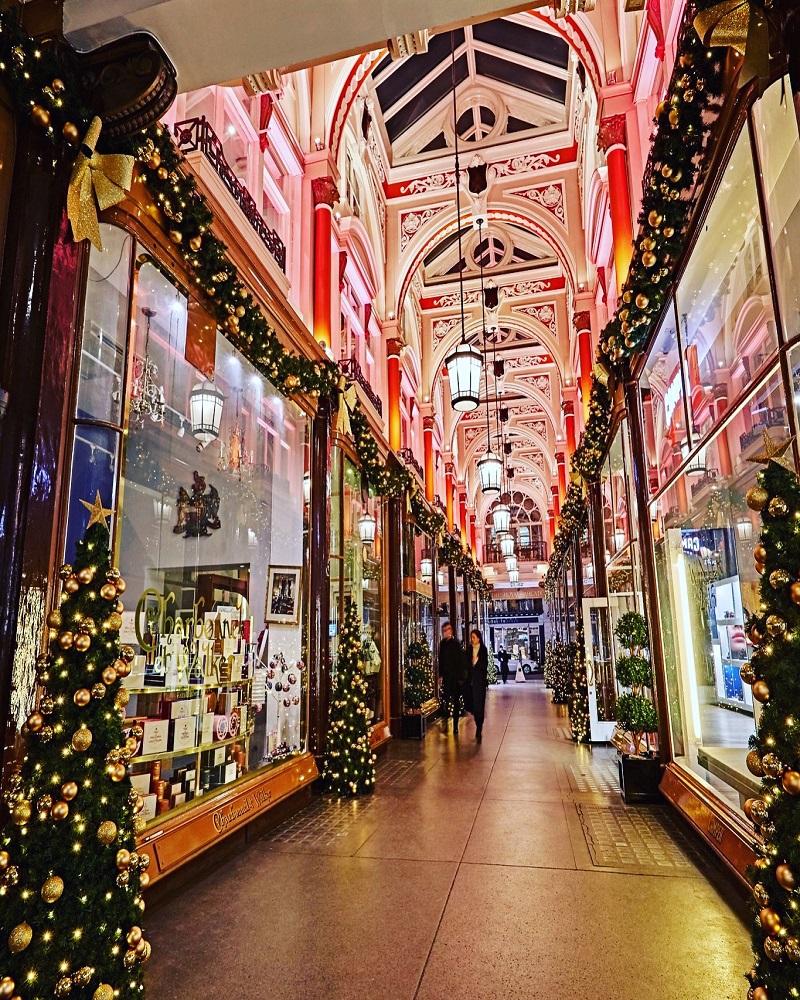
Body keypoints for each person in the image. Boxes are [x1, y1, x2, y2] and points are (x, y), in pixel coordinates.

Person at [438, 622, 465, 735]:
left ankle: (455, 726)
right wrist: (440, 675)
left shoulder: (456, 644)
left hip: (455, 678)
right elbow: (441, 660)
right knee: (445, 700)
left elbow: (460, 662)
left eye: (448, 630)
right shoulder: (442, 644)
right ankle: (445, 722)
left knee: (455, 702)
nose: (446, 632)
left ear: (451, 631)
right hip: (447, 677)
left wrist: (460, 678)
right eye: (444, 630)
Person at [469, 629, 489, 741]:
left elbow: (484, 665)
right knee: (474, 707)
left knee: (479, 706)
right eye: (471, 637)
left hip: (480, 683)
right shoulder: (469, 649)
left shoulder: (483, 650)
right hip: (471, 683)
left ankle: (479, 727)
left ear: (478, 638)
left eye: (474, 637)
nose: (472, 640)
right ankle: (478, 722)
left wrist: (476, 662)